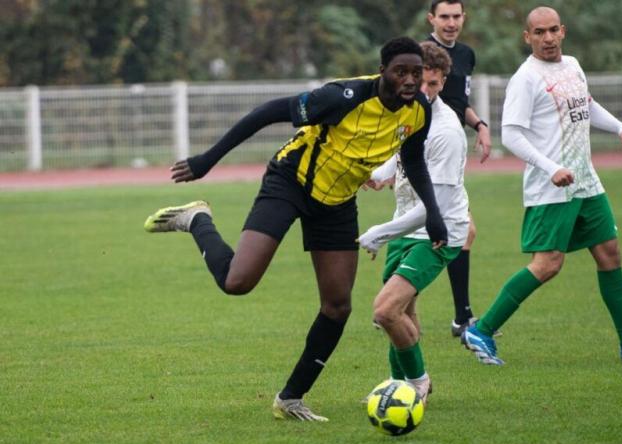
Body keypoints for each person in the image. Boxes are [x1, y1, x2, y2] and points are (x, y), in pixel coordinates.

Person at [143, 37, 447, 421]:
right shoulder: (344, 96)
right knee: (238, 282)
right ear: (382, 70)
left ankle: (290, 399)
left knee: (337, 306)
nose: (409, 80)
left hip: (336, 203)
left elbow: (414, 161)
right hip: (291, 182)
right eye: (400, 71)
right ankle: (197, 219)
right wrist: (207, 160)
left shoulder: (419, 109)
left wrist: (432, 212)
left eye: (416, 73)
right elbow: (269, 112)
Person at [462, 6, 622, 365]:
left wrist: (620, 127)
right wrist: (550, 168)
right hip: (552, 187)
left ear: (562, 31)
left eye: (552, 31)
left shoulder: (573, 65)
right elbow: (512, 135)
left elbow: (586, 106)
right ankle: (481, 330)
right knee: (547, 264)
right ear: (527, 37)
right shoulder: (526, 77)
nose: (547, 38)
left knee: (610, 253)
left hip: (585, 180)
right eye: (539, 33)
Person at [358, 41, 469, 401]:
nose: (422, 90)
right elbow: (402, 154)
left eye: (433, 85)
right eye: (419, 80)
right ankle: (398, 386)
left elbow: (432, 208)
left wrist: (378, 233)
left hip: (436, 235)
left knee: (385, 310)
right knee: (404, 310)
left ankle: (417, 382)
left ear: (443, 82)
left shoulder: (447, 133)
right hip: (406, 227)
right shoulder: (407, 113)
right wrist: (376, 173)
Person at [427, 0, 493, 337]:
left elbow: (458, 103)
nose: (451, 23)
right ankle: (462, 318)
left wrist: (480, 125)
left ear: (463, 18)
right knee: (461, 230)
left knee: (442, 230)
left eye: (456, 16)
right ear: (431, 19)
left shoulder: (465, 54)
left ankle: (392, 307)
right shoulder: (421, 54)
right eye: (444, 17)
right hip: (428, 152)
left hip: (453, 151)